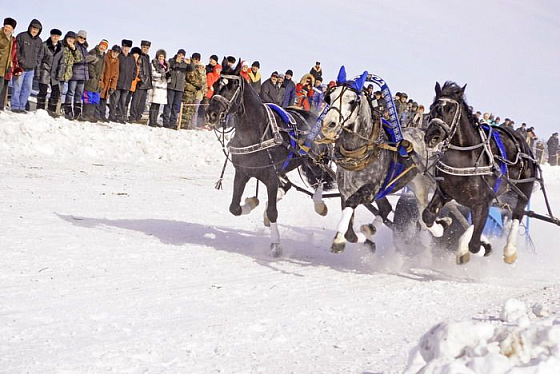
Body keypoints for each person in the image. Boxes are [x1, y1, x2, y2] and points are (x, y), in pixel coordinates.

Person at [12, 19, 43, 113]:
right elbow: (16, 50)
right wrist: (20, 61)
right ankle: (15, 106)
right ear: (30, 27)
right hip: (20, 67)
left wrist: (36, 62)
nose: (35, 30)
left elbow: (39, 54)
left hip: (31, 70)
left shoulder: (39, 41)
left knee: (28, 88)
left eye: (37, 29)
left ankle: (22, 106)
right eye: (33, 28)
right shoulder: (22, 36)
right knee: (17, 87)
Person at [64, 30, 89, 120]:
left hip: (82, 75)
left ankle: (77, 112)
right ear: (77, 37)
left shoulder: (85, 48)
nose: (82, 39)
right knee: (71, 92)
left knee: (79, 94)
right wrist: (86, 60)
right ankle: (67, 110)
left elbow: (85, 62)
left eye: (84, 38)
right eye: (80, 37)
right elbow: (74, 59)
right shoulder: (74, 46)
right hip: (74, 74)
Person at [110, 39, 136, 123]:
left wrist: (133, 77)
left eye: (127, 47)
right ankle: (112, 115)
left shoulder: (131, 57)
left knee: (123, 101)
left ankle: (120, 116)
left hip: (127, 83)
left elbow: (135, 68)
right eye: (124, 47)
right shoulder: (119, 56)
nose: (125, 49)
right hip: (118, 82)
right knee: (115, 100)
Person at [83, 39, 108, 122]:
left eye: (105, 47)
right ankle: (86, 115)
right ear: (99, 45)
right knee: (88, 97)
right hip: (91, 79)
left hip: (97, 81)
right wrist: (92, 76)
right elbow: (90, 65)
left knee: (95, 98)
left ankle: (92, 115)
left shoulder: (103, 55)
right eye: (102, 45)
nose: (103, 47)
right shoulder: (93, 52)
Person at [36, 28, 62, 111]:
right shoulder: (45, 45)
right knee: (42, 91)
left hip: (54, 73)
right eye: (54, 36)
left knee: (56, 92)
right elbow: (39, 59)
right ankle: (40, 110)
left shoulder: (61, 48)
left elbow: (62, 63)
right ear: (51, 35)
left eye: (57, 36)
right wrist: (38, 72)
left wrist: (60, 74)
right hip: (45, 71)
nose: (55, 38)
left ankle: (51, 110)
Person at [162, 48, 188, 129]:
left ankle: (173, 122)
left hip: (180, 88)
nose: (181, 56)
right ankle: (165, 121)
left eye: (182, 55)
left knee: (176, 106)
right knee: (168, 104)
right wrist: (176, 62)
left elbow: (192, 68)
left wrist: (189, 63)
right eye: (179, 54)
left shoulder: (185, 64)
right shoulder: (171, 60)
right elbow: (169, 67)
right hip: (171, 86)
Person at [129, 40, 152, 123]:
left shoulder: (147, 57)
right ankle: (133, 116)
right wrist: (142, 79)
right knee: (136, 101)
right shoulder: (139, 56)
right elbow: (139, 68)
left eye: (147, 48)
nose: (145, 49)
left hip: (146, 83)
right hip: (140, 82)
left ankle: (139, 116)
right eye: (144, 47)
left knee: (142, 103)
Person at [0, 17, 19, 110]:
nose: (6, 29)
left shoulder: (13, 39)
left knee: (3, 88)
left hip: (6, 68)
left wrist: (14, 67)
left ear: (13, 30)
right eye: (6, 26)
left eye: (9, 27)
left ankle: (0, 107)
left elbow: (13, 54)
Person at [147, 49, 168, 127]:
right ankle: (151, 121)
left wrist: (168, 76)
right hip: (155, 86)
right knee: (154, 105)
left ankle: (155, 120)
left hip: (162, 87)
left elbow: (167, 77)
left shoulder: (166, 65)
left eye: (162, 56)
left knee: (158, 105)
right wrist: (162, 75)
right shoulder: (154, 63)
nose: (161, 58)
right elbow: (153, 74)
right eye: (160, 56)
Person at [98, 45, 120, 122]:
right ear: (111, 51)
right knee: (99, 98)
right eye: (114, 52)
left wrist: (113, 86)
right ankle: (97, 115)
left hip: (108, 84)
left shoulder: (117, 61)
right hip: (103, 81)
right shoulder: (106, 57)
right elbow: (102, 71)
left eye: (117, 53)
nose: (115, 54)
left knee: (104, 99)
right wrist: (101, 82)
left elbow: (115, 75)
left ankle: (102, 115)